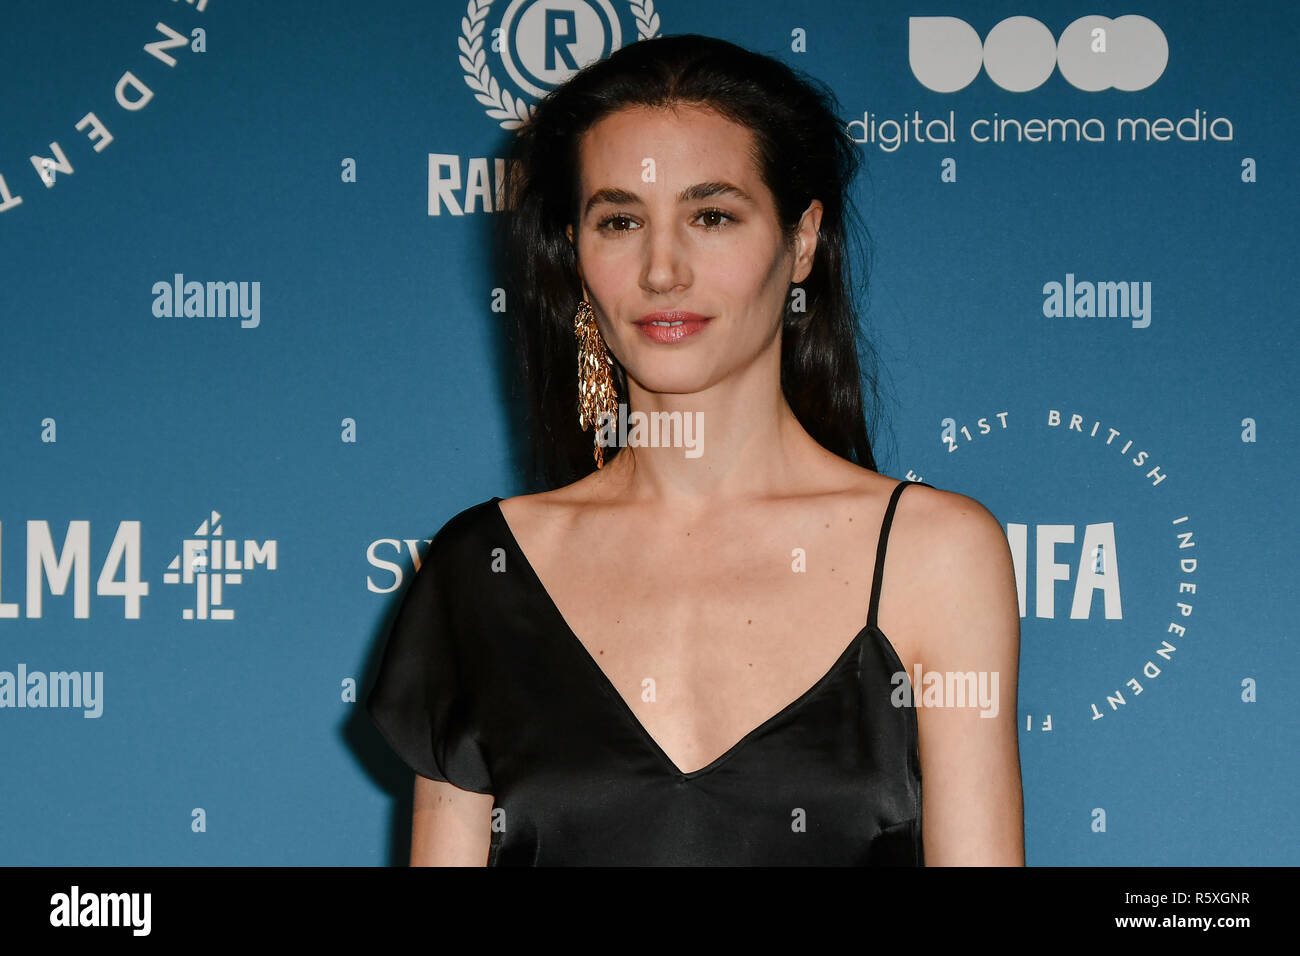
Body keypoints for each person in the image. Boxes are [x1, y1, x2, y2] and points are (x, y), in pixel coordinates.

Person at [366, 33, 1024, 866]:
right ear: (574, 253)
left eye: (712, 215)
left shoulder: (935, 554)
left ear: (803, 241)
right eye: (620, 220)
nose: (662, 269)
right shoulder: (482, 571)